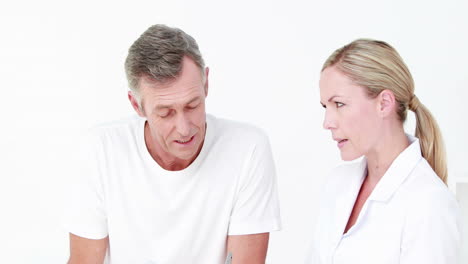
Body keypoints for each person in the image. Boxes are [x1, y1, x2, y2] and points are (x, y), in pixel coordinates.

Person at [64, 24, 281, 264]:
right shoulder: (100, 150)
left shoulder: (247, 149)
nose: (185, 128)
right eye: (166, 113)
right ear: (137, 106)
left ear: (206, 83)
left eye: (192, 105)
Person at [305, 39, 461, 263]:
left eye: (338, 104)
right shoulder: (338, 183)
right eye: (325, 107)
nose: (327, 122)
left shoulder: (429, 204)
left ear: (384, 103)